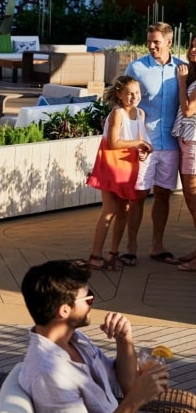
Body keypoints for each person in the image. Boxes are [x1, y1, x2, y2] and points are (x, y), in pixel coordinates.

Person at [18, 260, 196, 413]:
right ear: (63, 310)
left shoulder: (75, 340)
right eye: (88, 298)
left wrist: (124, 339)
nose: (93, 302)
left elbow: (125, 384)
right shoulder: (48, 373)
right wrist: (134, 401)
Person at [125, 22, 184, 264]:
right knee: (137, 195)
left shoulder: (183, 69)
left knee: (162, 194)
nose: (151, 46)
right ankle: (130, 247)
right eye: (149, 41)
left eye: (156, 42)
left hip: (170, 145)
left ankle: (157, 246)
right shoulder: (136, 67)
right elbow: (123, 103)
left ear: (169, 42)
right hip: (143, 145)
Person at [85, 76, 151, 270]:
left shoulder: (140, 114)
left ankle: (113, 253)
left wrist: (143, 151)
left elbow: (138, 140)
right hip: (111, 165)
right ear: (119, 95)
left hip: (128, 166)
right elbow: (114, 143)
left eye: (137, 93)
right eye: (129, 93)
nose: (134, 97)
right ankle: (95, 255)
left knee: (124, 210)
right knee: (110, 210)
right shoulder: (117, 114)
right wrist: (138, 144)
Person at [175, 40, 196, 271]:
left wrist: (182, 83)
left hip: (194, 143)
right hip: (186, 140)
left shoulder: (187, 78)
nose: (192, 50)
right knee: (191, 201)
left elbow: (189, 110)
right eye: (191, 45)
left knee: (193, 198)